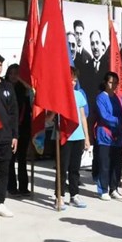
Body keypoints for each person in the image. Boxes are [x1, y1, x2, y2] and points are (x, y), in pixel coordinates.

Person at [48, 68, 90, 209]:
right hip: (63, 136)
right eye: (70, 79)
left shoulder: (78, 95)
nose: (72, 82)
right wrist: (54, 110)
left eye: (74, 80)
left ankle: (74, 195)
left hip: (78, 136)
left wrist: (87, 137)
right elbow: (48, 119)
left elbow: (83, 117)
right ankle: (59, 196)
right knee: (62, 168)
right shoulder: (58, 96)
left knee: (75, 168)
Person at [95, 72, 122, 201]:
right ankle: (103, 189)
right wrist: (119, 121)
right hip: (105, 135)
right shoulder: (101, 97)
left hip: (118, 136)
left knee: (117, 164)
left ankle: (114, 188)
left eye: (115, 82)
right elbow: (104, 116)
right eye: (110, 82)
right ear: (105, 82)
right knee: (105, 164)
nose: (113, 85)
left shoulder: (120, 98)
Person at [0, 53, 18, 217]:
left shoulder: (7, 87)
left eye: (0, 65)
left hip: (4, 138)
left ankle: (0, 202)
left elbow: (13, 113)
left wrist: (14, 135)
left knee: (4, 171)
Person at [5, 64, 31, 196]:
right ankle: (11, 187)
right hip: (8, 129)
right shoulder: (3, 89)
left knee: (22, 158)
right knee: (10, 159)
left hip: (23, 128)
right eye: (12, 73)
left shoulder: (23, 89)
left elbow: (31, 103)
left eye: (17, 73)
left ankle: (23, 186)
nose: (14, 76)